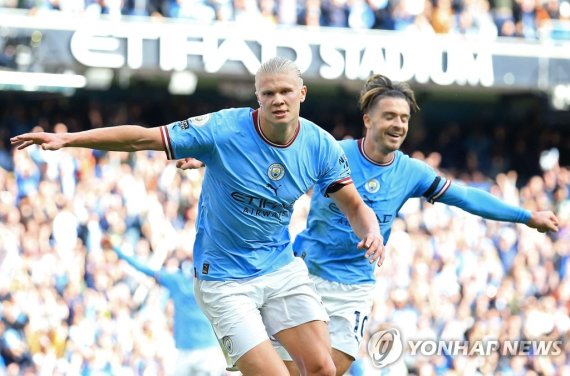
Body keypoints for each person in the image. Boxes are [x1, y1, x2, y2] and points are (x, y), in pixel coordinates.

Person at [10, 56, 385, 376]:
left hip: (279, 268)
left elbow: (353, 204)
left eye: (285, 91)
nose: (277, 100)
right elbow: (142, 138)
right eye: (268, 93)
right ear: (257, 98)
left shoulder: (320, 145)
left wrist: (372, 231)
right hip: (224, 280)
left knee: (323, 368)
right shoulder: (223, 129)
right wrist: (70, 139)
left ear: (301, 93)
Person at [180, 73, 561, 375]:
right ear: (368, 120)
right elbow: (258, 159)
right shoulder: (331, 151)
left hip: (354, 288)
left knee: (329, 370)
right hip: (302, 276)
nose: (398, 124)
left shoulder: (411, 172)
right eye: (390, 116)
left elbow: (465, 196)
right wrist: (207, 159)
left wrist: (526, 216)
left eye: (405, 118)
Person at [107, 241, 227, 376]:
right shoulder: (204, 280)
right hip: (196, 350)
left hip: (199, 350)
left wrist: (116, 249)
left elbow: (145, 269)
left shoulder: (180, 280)